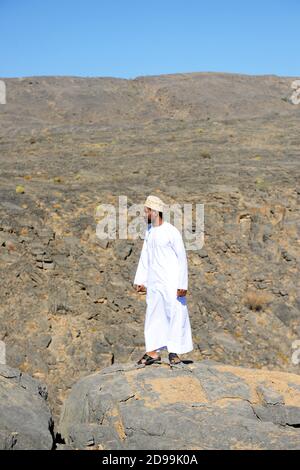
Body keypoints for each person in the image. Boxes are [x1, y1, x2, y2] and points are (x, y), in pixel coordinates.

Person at [133, 195, 193, 366]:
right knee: (154, 315)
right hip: (154, 282)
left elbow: (182, 258)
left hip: (171, 282)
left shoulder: (171, 232)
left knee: (174, 313)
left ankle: (174, 352)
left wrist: (183, 284)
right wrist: (141, 280)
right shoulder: (149, 232)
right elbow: (145, 257)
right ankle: (152, 352)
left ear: (155, 211)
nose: (145, 214)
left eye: (147, 211)